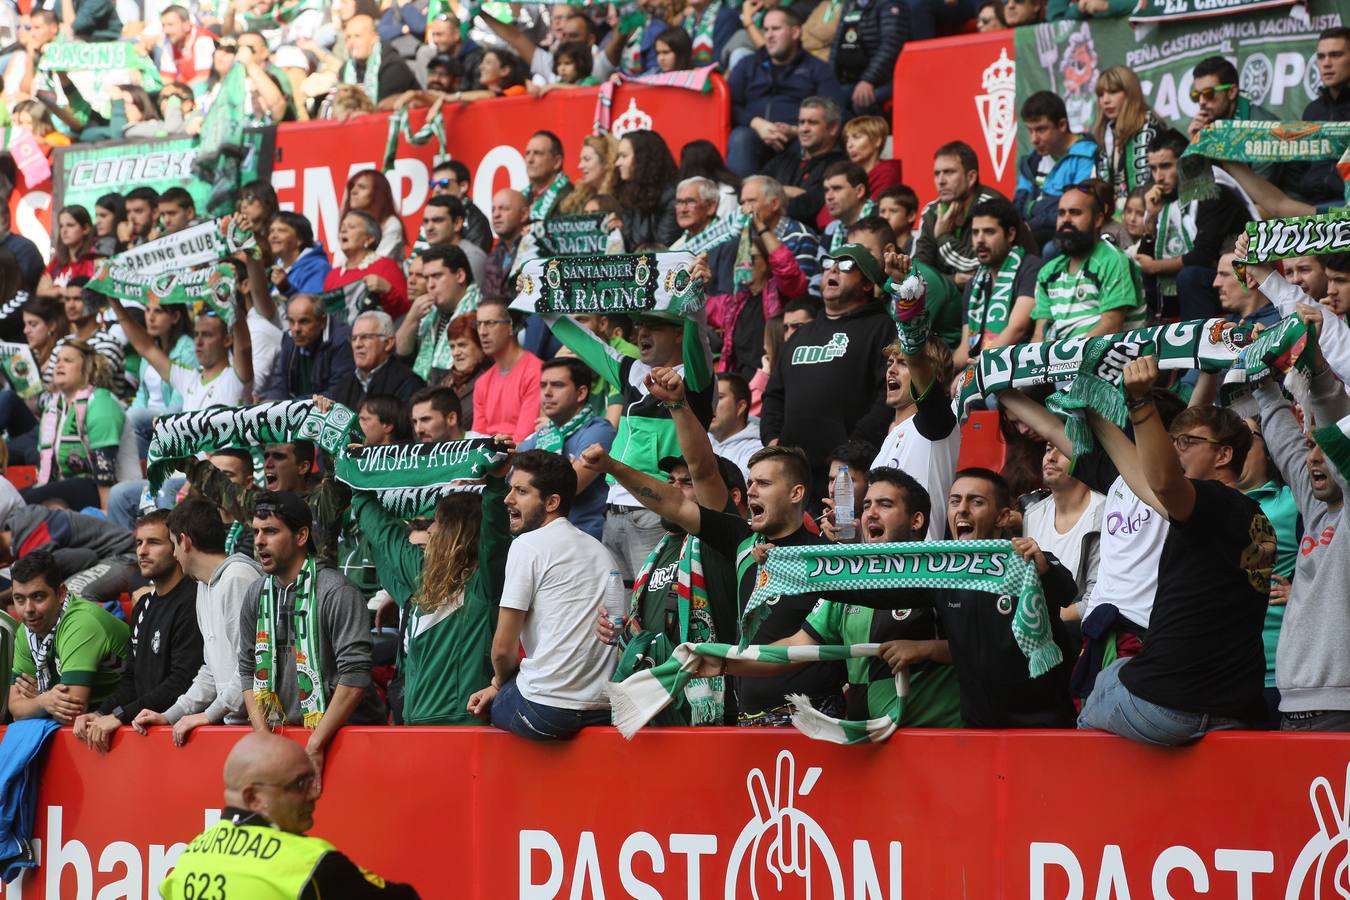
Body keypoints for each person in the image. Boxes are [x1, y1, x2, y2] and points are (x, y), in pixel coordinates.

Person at [1077, 359, 1275, 746]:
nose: (1175, 450)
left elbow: (1162, 480)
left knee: (1102, 684)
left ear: (1223, 456)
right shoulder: (1244, 514)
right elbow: (1142, 477)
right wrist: (1094, 415)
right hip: (1234, 709)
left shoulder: (1213, 502)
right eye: (1173, 441)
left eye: (1188, 442)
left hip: (1168, 704)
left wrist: (1140, 402)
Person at [587, 443, 850, 723]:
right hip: (748, 721)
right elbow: (673, 503)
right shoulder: (743, 542)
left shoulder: (825, 560)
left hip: (812, 719)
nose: (752, 491)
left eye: (763, 483)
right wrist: (612, 467)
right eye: (750, 483)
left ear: (796, 493)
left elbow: (807, 643)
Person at [537, 301, 714, 585]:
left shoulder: (695, 377)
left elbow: (698, 337)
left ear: (679, 333)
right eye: (641, 325)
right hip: (613, 511)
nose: (642, 333)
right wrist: (540, 304)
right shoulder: (632, 371)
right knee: (621, 614)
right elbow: (583, 341)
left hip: (660, 511)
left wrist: (694, 301)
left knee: (655, 607)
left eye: (654, 326)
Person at [354, 445, 510, 726]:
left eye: (437, 523)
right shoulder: (421, 574)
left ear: (457, 532)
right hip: (413, 724)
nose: (429, 530)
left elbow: (495, 536)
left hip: (464, 727)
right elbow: (381, 531)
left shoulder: (484, 584)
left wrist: (496, 482)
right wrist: (357, 472)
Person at [466, 451, 618, 739]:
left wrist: (497, 685)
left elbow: (502, 649)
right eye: (510, 488)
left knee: (481, 706)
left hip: (546, 710)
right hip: (602, 710)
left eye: (521, 491)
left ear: (552, 502)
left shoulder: (528, 545)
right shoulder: (599, 549)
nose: (508, 499)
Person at [160, 731, 419, 898]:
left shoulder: (190, 857)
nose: (314, 794)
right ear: (253, 798)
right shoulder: (310, 862)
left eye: (312, 781)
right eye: (300, 784)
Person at [238, 491, 384, 783]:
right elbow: (247, 669)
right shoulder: (256, 594)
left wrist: (316, 743)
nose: (259, 541)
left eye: (270, 531)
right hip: (287, 738)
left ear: (301, 535)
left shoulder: (337, 592)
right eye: (256, 532)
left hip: (349, 738)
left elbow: (355, 675)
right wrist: (263, 737)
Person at [762, 244, 895, 500]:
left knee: (840, 538)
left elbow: (887, 394)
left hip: (846, 474)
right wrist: (772, 439)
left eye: (845, 266)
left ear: (867, 284)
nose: (833, 269)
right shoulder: (801, 334)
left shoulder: (882, 328)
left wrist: (855, 446)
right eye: (828, 264)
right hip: (792, 475)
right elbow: (774, 395)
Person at [128, 498, 262, 746]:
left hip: (265, 728)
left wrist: (207, 716)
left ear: (185, 541)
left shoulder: (237, 578)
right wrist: (170, 715)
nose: (175, 554)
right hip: (236, 726)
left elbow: (250, 667)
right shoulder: (202, 584)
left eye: (173, 543)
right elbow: (210, 671)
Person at [71, 511, 203, 753]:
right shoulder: (143, 605)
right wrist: (101, 712)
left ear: (176, 546)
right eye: (139, 543)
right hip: (144, 733)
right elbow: (132, 679)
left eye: (153, 542)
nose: (142, 551)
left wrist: (120, 715)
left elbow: (182, 681)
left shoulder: (193, 601)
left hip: (184, 737)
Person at [868, 287, 958, 541]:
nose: (891, 371)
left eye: (903, 363)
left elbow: (920, 364)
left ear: (931, 374)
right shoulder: (892, 436)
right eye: (890, 363)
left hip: (921, 570)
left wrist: (907, 301)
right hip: (881, 572)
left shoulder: (936, 426)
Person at [1136, 129, 1251, 320]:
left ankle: (1198, 342)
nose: (1158, 177)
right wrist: (1151, 219)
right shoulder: (1163, 200)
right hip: (1206, 284)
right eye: (1153, 169)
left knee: (1191, 276)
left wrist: (1155, 267)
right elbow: (1144, 258)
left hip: (1240, 279)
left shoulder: (1212, 190)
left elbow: (1202, 256)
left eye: (1165, 166)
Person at [8, 550, 130, 723]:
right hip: (96, 717)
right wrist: (43, 701)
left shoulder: (81, 623)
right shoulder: (26, 631)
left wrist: (37, 701)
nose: (28, 609)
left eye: (38, 597)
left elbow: (70, 715)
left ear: (61, 594)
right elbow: (16, 710)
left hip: (131, 711)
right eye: (19, 599)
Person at [725, 7, 846, 177]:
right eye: (765, 30)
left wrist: (798, 130)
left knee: (809, 143)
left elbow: (836, 111)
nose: (769, 35)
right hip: (753, 136)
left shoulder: (817, 68)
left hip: (797, 139)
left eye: (776, 29)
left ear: (795, 32)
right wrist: (756, 123)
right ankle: (744, 199)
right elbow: (729, 105)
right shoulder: (747, 65)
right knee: (740, 138)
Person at [518, 357, 616, 541]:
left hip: (584, 538)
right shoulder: (543, 435)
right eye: (543, 385)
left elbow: (570, 486)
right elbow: (513, 478)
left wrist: (529, 482)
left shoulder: (599, 430)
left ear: (581, 393)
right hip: (541, 537)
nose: (547, 393)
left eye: (557, 385)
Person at [1032, 184, 1145, 342]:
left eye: (1075, 213)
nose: (1066, 220)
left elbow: (1111, 327)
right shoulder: (1047, 272)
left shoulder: (1113, 260)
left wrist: (1066, 360)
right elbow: (1040, 335)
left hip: (1112, 360)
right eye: (1061, 213)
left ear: (1098, 219)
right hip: (1062, 362)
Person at [914, 141, 1030, 293]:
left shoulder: (992, 206)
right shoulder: (931, 212)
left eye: (949, 172)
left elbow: (981, 263)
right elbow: (917, 270)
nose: (941, 181)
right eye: (937, 173)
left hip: (1007, 288)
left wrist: (943, 236)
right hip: (951, 294)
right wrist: (952, 280)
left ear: (971, 177)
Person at [27, 339, 124, 511]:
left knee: (24, 500)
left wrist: (106, 515)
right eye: (57, 360)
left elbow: (105, 469)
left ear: (87, 367)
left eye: (68, 360)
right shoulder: (53, 408)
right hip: (67, 488)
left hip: (108, 491)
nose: (59, 365)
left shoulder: (101, 402)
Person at [955, 196, 1044, 369]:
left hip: (1016, 370)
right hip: (980, 369)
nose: (979, 239)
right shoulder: (975, 283)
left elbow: (1017, 329)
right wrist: (937, 371)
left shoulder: (1031, 268)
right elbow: (966, 347)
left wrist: (973, 373)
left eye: (989, 232)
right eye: (975, 232)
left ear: (1010, 234)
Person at [1013, 91, 1098, 252]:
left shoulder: (1086, 156)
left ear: (1062, 125)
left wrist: (1031, 224)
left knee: (1050, 249)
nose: (1034, 139)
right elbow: (1019, 202)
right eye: (1030, 130)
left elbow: (1075, 209)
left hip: (1066, 235)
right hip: (1031, 232)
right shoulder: (1031, 160)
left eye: (1041, 129)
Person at [1023, 444, 1103, 608]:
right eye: (1047, 449)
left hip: (1079, 629)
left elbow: (1096, 601)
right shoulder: (1033, 515)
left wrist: (1042, 620)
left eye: (1062, 449)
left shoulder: (1105, 513)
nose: (1050, 457)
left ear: (1086, 459)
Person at [762, 96, 847, 226]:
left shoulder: (840, 165)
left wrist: (767, 196)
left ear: (833, 127)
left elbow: (805, 207)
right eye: (801, 122)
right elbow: (748, 188)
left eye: (812, 122)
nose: (803, 129)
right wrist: (788, 191)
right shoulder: (785, 158)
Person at [1092, 65, 1165, 209]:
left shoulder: (1151, 127)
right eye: (1101, 94)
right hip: (1116, 215)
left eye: (1113, 92)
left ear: (1130, 93)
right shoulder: (1105, 134)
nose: (1105, 100)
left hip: (1148, 211)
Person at [471, 298, 542, 442]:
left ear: (511, 326)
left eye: (490, 323)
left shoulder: (536, 372)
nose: (482, 332)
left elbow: (524, 438)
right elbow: (476, 439)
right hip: (488, 458)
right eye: (479, 324)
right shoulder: (482, 383)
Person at [262, 294, 355, 400]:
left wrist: (291, 406)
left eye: (304, 321)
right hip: (297, 408)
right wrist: (271, 403)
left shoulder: (341, 341)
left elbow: (337, 393)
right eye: (291, 321)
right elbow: (280, 383)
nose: (296, 329)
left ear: (322, 322)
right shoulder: (290, 338)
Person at [322, 211, 410, 318]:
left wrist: (387, 290)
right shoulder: (332, 276)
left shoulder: (385, 266)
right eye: (342, 227)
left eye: (351, 227)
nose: (343, 230)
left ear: (369, 239)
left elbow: (405, 310)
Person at [331, 310, 424, 408]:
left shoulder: (408, 383)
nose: (357, 345)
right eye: (354, 339)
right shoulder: (343, 385)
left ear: (388, 343)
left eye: (365, 337)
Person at [614, 130, 680, 250]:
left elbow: (661, 250)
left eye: (624, 156)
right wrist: (618, 232)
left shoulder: (671, 198)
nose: (617, 163)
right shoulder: (629, 194)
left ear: (643, 159)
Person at [341, 13, 417, 102]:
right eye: (348, 37)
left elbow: (385, 108)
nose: (351, 43)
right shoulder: (346, 70)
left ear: (374, 38)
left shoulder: (393, 66)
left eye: (357, 36)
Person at [340, 169, 407, 264]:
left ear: (378, 193)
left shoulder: (391, 224)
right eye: (352, 187)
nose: (353, 191)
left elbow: (379, 265)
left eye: (362, 187)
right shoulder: (347, 222)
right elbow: (338, 265)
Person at [420, 195, 486, 285]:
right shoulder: (425, 257)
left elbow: (473, 297)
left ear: (457, 223)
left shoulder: (473, 257)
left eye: (437, 220)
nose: (429, 227)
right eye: (426, 221)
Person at [708, 372, 762, 479]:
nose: (710, 404)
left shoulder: (758, 451)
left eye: (719, 397)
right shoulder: (699, 438)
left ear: (740, 406)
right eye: (708, 398)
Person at [36, 206, 97, 299]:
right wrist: (59, 291)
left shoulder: (93, 259)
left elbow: (85, 296)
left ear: (86, 229)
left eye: (70, 225)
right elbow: (39, 291)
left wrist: (51, 290)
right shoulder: (57, 261)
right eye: (61, 226)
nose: (64, 231)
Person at [269, 211, 332, 298]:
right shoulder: (276, 268)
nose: (273, 236)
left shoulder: (317, 267)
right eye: (271, 231)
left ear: (300, 239)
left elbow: (313, 306)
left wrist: (287, 289)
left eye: (282, 231)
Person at [483, 189, 528, 300]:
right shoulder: (492, 258)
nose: (496, 214)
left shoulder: (537, 248)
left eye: (504, 209)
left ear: (524, 214)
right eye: (493, 210)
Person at [821, 161, 876, 252]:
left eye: (837, 188)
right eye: (826, 190)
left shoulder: (882, 218)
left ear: (859, 191)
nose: (829, 197)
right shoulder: (830, 230)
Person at [843, 116, 902, 199]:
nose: (849, 145)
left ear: (877, 141)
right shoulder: (846, 176)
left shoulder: (887, 172)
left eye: (856, 137)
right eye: (847, 139)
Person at [157, 5, 216, 87]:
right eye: (163, 25)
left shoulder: (202, 40)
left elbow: (203, 78)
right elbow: (166, 78)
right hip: (182, 91)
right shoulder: (170, 42)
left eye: (170, 25)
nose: (165, 30)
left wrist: (178, 93)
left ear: (186, 25)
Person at [521, 130, 574, 222]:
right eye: (527, 153)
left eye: (538, 153)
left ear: (557, 162)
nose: (530, 160)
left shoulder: (572, 198)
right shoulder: (521, 198)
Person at [878, 184, 919, 255]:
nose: (886, 217)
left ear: (911, 216)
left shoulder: (919, 249)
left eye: (893, 211)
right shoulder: (877, 247)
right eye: (882, 211)